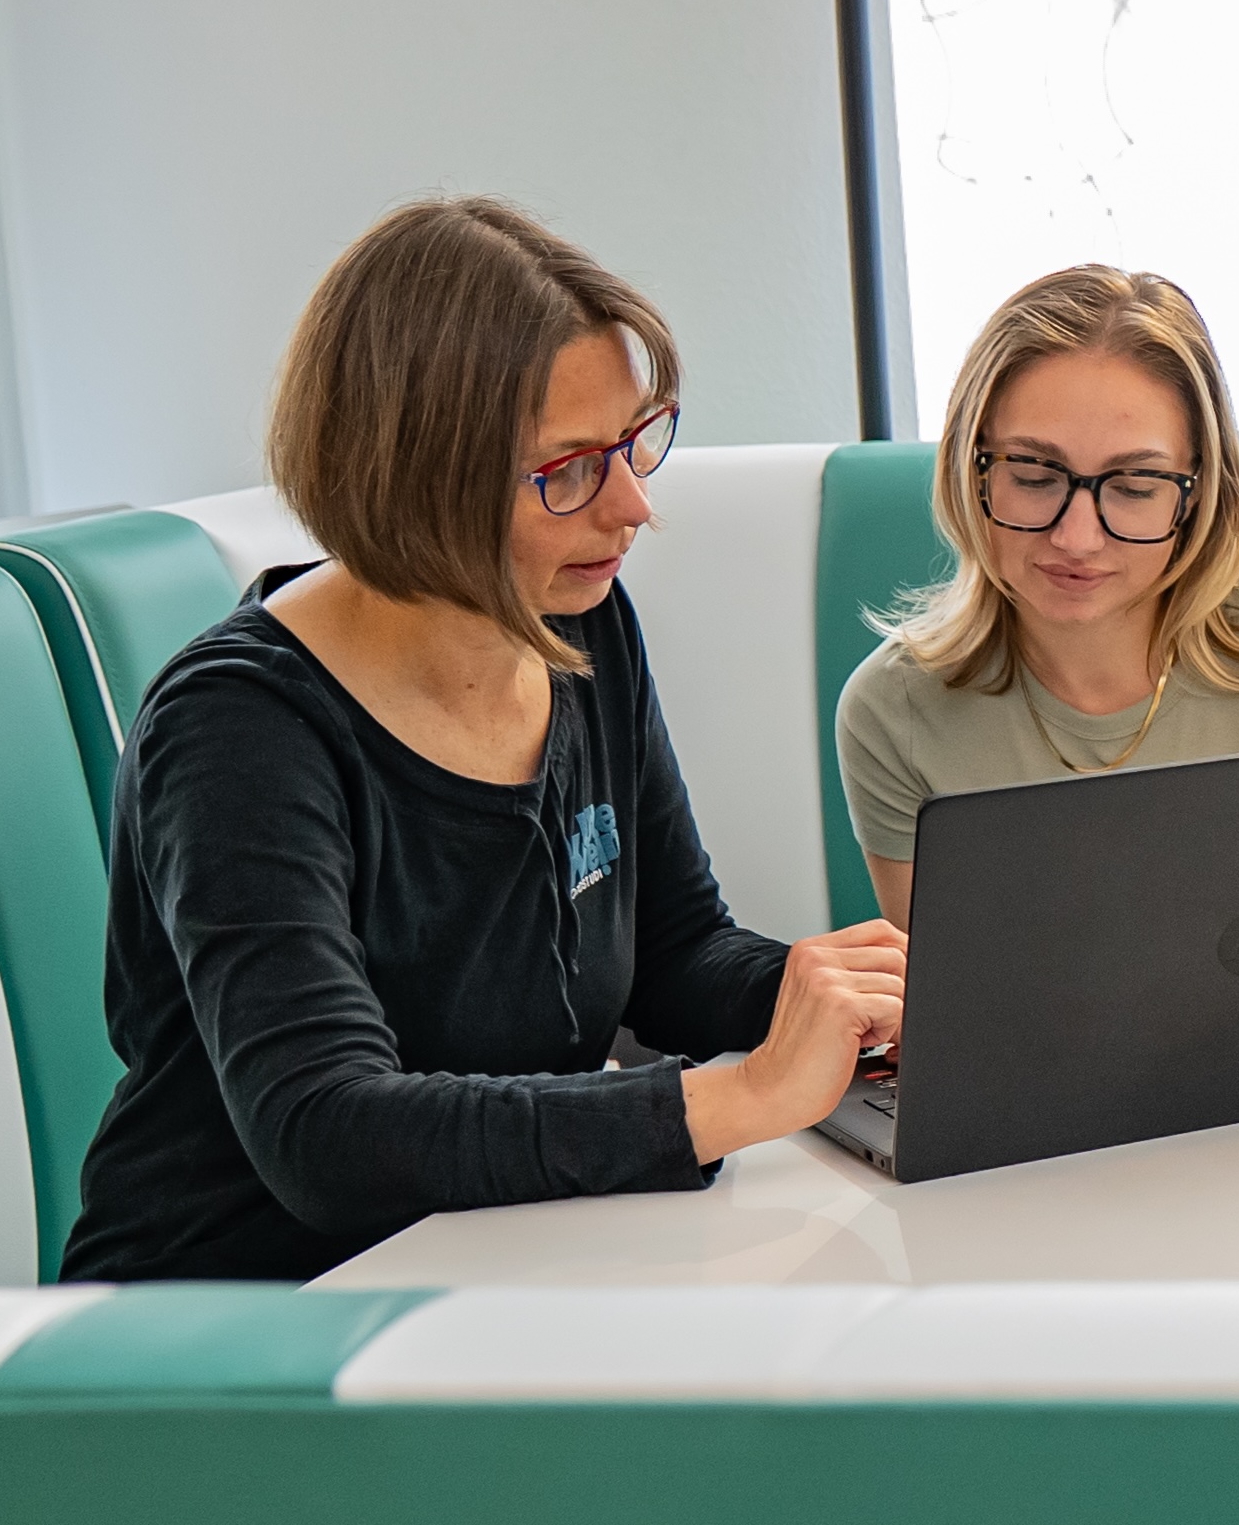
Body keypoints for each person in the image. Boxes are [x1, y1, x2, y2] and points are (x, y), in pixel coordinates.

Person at [65, 197, 905, 1283]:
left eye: (634, 443)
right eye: (569, 469)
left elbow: (672, 953)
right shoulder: (237, 728)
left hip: (493, 1270)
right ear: (417, 477)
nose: (633, 506)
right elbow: (328, 1133)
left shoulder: (578, 622)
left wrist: (837, 998)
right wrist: (741, 1096)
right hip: (235, 1319)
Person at [838, 264, 1239, 932]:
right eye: (1034, 476)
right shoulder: (894, 712)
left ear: (1197, 492)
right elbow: (955, 989)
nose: (1077, 538)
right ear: (972, 473)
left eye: (1135, 486)